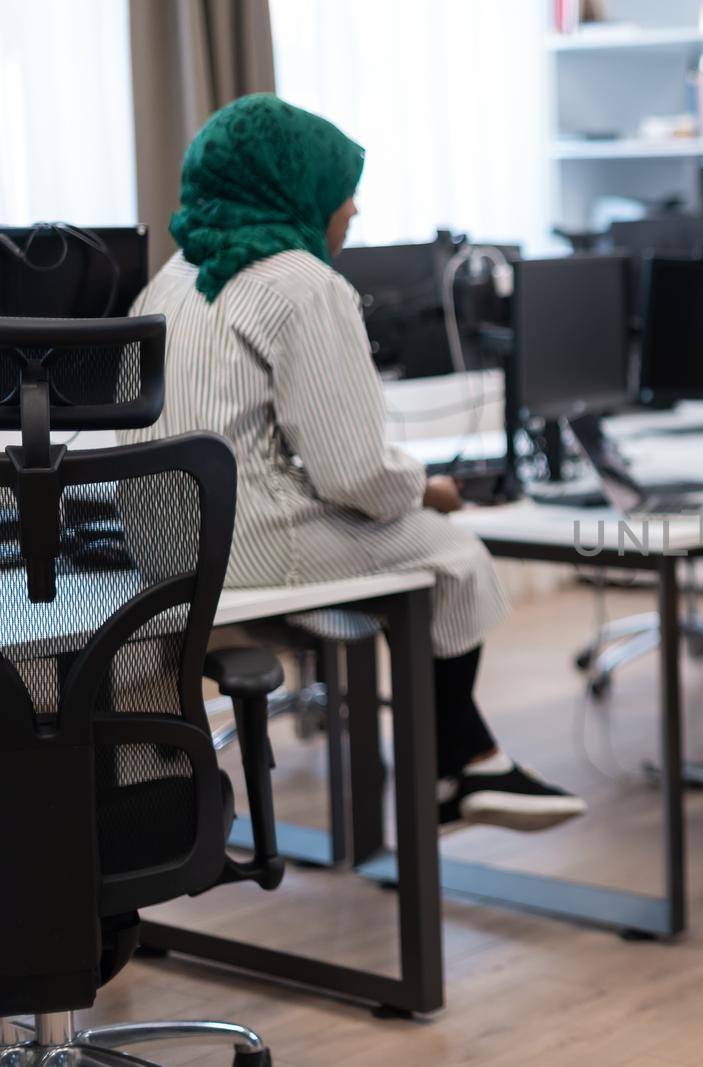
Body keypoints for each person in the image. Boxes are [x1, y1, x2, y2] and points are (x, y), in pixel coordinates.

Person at [120, 94, 585, 832]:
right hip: (250, 544)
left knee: (406, 544)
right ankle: (455, 769)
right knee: (453, 555)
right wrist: (423, 490)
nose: (354, 207)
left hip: (158, 544)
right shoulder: (303, 284)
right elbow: (353, 473)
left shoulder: (169, 277)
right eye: (343, 187)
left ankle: (463, 761)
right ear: (293, 187)